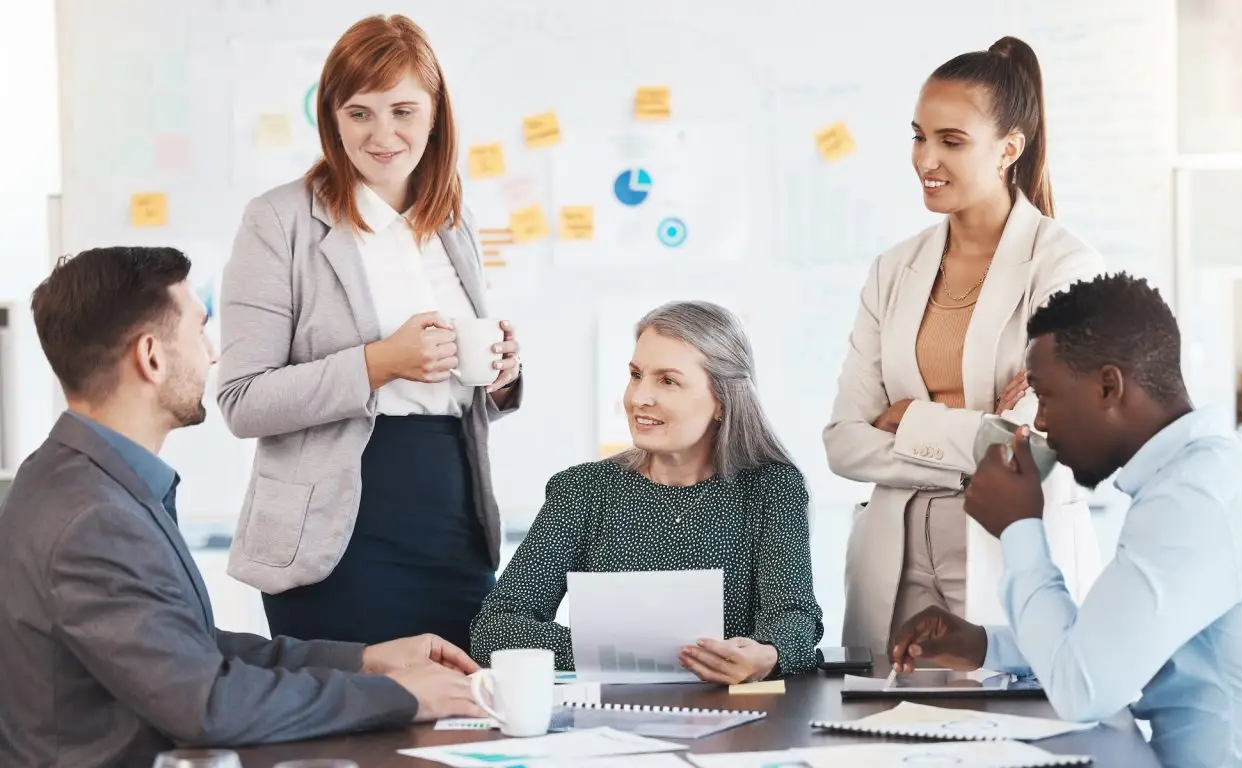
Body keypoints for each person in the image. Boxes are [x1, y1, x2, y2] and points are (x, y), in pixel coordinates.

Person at [0, 247, 487, 768]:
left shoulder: (72, 478)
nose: (213, 355)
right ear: (152, 357)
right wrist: (407, 698)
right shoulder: (94, 518)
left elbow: (189, 649)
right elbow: (207, 704)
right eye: (200, 331)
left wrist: (365, 662)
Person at [218, 14, 522, 650]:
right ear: (332, 118)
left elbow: (452, 391)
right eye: (360, 113)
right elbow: (243, 401)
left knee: (460, 723)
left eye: (404, 111)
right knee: (358, 734)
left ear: (435, 114)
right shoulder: (279, 221)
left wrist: (499, 376)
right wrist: (378, 363)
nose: (383, 134)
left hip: (452, 514)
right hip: (335, 532)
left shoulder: (453, 219)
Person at [890, 273, 1242, 768]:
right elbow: (1111, 641)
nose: (1043, 423)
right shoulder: (1208, 473)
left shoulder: (1193, 499)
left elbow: (1083, 686)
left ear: (1108, 387)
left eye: (1046, 396)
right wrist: (985, 645)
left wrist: (1018, 527)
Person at [822, 36, 1104, 653]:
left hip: (1007, 553)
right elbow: (844, 441)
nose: (927, 157)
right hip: (892, 565)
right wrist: (978, 430)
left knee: (1008, 736)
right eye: (919, 135)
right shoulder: (892, 270)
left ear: (1009, 149)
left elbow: (1035, 452)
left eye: (952, 141)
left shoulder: (1064, 269)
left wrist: (908, 421)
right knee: (881, 737)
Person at [470, 301, 822, 683]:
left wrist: (768, 656)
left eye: (667, 381)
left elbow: (794, 618)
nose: (639, 398)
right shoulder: (583, 491)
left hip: (733, 719)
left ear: (722, 401)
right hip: (607, 720)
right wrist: (609, 651)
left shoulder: (771, 488)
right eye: (636, 375)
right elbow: (494, 630)